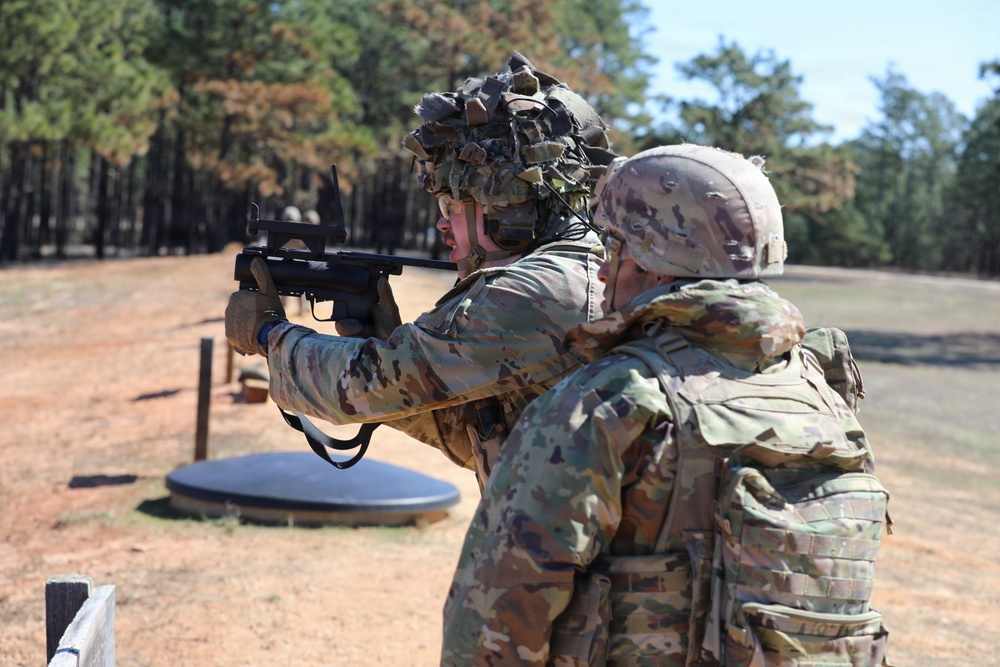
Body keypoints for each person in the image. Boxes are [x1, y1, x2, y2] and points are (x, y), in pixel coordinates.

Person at [440, 144, 891, 665]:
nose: (603, 271)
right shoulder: (820, 390)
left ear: (655, 257)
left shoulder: (613, 398)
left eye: (614, 246)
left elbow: (497, 612)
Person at [225, 52, 618, 489]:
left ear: (509, 210)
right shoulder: (576, 270)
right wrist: (385, 352)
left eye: (453, 205)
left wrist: (268, 336)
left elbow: (358, 388)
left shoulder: (539, 291)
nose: (442, 223)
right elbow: (467, 433)